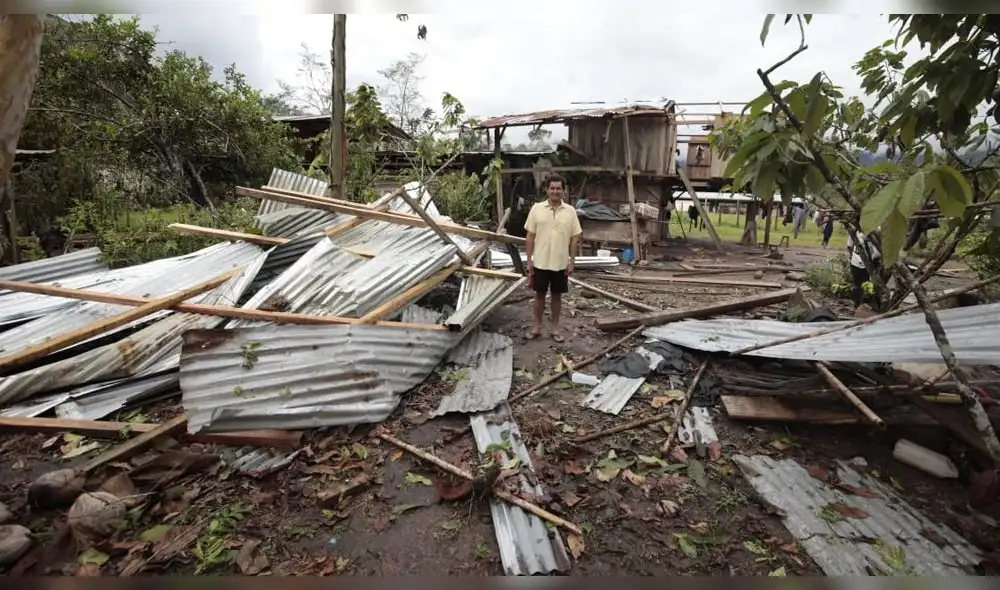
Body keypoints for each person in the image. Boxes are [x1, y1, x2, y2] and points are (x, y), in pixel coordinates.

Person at [525, 174, 582, 342]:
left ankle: (555, 329)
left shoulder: (570, 212)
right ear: (547, 190)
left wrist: (572, 262)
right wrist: (529, 261)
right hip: (541, 261)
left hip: (560, 263)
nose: (555, 191)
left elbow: (574, 239)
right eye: (552, 188)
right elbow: (529, 237)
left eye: (558, 188)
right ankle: (536, 328)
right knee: (539, 295)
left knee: (557, 296)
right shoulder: (536, 209)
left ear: (563, 191)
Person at [846, 227, 881, 310]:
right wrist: (852, 256)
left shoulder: (877, 230)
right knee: (858, 284)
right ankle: (858, 304)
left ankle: (871, 303)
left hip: (872, 261)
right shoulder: (854, 231)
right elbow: (849, 246)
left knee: (873, 284)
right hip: (857, 261)